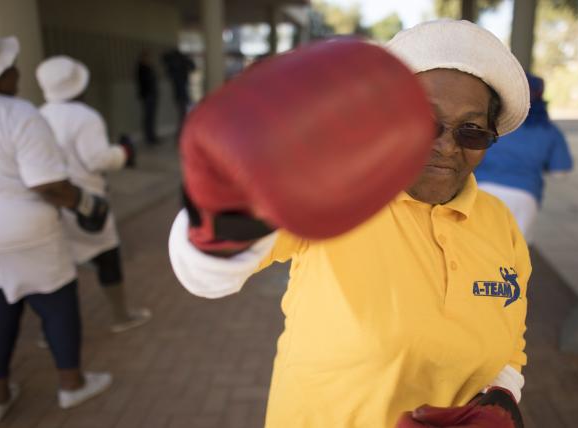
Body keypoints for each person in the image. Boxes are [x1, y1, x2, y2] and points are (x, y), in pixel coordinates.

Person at [169, 19, 531, 427]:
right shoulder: (336, 194)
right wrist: (230, 206)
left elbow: (510, 348)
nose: (446, 146)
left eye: (472, 131)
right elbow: (204, 279)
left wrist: (501, 401)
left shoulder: (501, 224)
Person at [0, 25, 112, 423]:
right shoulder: (19, 113)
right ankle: (72, 385)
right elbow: (48, 184)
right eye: (12, 65)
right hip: (23, 231)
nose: (18, 71)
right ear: (1, 72)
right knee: (57, 304)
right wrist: (89, 204)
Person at [37, 55, 152, 333]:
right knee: (107, 256)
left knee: (59, 268)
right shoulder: (85, 116)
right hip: (86, 200)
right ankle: (120, 316)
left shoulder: (39, 114)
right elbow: (97, 160)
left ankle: (49, 331)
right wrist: (122, 153)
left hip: (52, 201)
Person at [475, 73, 573, 243]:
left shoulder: (493, 122)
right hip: (524, 198)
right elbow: (560, 172)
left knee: (477, 246)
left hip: (480, 191)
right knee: (514, 254)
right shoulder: (549, 130)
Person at [162, 48, 194, 133]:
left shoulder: (173, 66)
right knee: (183, 114)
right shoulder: (179, 64)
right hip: (181, 93)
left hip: (179, 92)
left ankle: (181, 133)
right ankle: (181, 133)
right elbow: (192, 66)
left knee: (183, 114)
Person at [136, 49, 158, 145]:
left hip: (152, 94)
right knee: (148, 117)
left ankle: (152, 135)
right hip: (147, 95)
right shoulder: (141, 69)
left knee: (151, 116)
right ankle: (149, 137)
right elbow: (144, 83)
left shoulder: (148, 68)